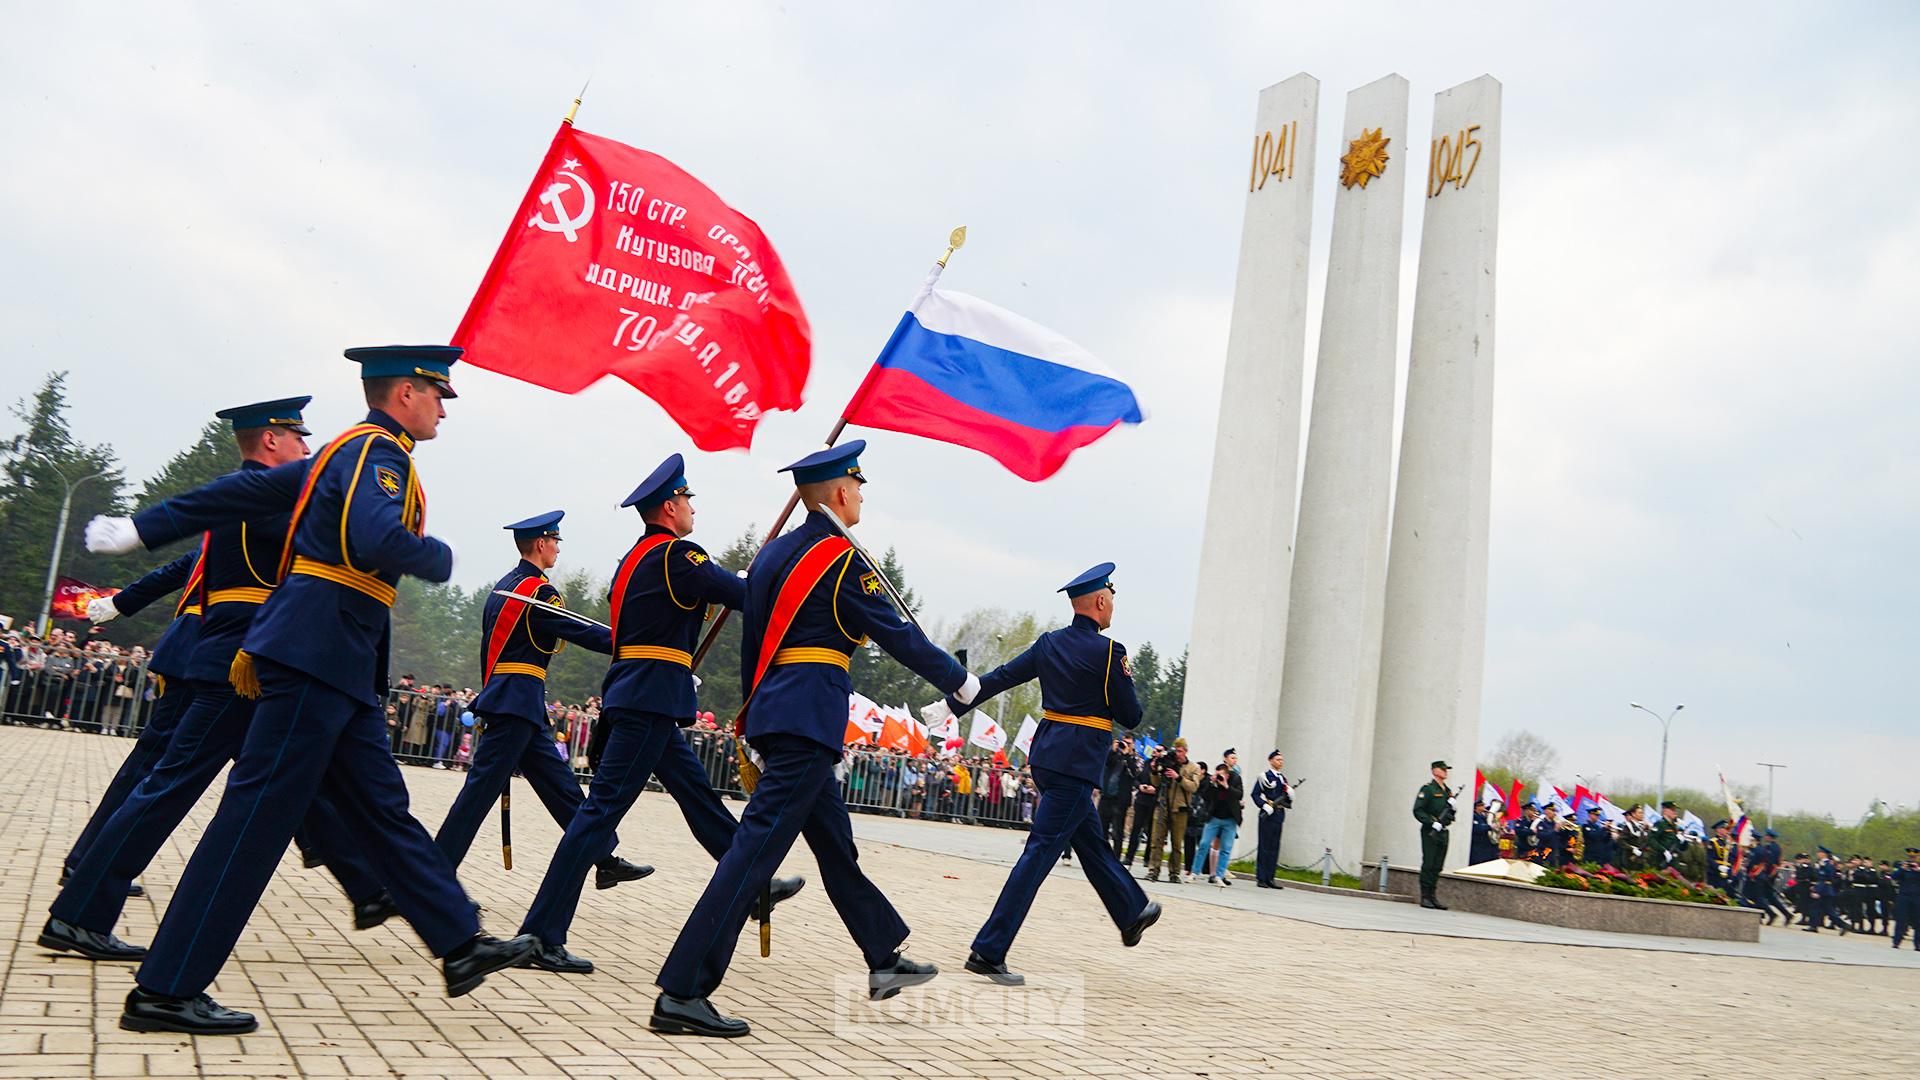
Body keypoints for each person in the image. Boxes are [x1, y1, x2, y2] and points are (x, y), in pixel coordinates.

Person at [82, 347, 536, 1034]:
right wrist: (437, 555)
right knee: (255, 822)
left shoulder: (339, 455)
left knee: (383, 810)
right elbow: (374, 535)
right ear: (405, 392)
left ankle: (459, 942)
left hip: (334, 657)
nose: (444, 408)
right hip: (318, 650)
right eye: (438, 394)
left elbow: (241, 493)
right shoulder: (377, 453)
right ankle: (166, 990)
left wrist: (144, 528)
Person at [44, 396, 394, 962]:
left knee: (285, 777)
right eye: (298, 438)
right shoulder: (267, 503)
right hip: (245, 665)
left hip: (240, 659)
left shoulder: (246, 499)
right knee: (172, 785)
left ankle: (370, 886)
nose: (306, 448)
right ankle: (81, 912)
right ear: (272, 440)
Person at [651, 441, 971, 1038]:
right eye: (859, 486)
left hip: (779, 712)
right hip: (809, 718)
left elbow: (756, 646)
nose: (862, 496)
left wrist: (754, 710)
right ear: (842, 493)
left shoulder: (772, 557)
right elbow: (899, 634)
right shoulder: (840, 558)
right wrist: (962, 682)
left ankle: (882, 957)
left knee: (834, 844)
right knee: (751, 854)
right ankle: (682, 990)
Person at [519, 458, 806, 974]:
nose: (693, 509)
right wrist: (763, 572)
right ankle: (540, 934)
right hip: (650, 698)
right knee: (597, 815)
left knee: (697, 797)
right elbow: (742, 596)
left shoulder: (633, 559)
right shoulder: (678, 553)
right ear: (670, 507)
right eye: (689, 501)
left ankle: (751, 883)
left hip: (647, 695)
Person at [924, 562, 1160, 986]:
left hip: (1049, 759)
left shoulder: (1049, 644)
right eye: (1111, 601)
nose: (1112, 609)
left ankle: (1131, 911)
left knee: (1090, 843)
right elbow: (1132, 715)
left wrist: (951, 706)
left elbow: (997, 680)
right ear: (1101, 601)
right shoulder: (1110, 653)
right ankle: (988, 950)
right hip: (1078, 764)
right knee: (1038, 855)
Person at [432, 511, 650, 900]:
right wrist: (635, 641)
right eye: (555, 541)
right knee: (476, 797)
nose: (557, 548)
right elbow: (580, 629)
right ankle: (428, 877)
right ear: (540, 544)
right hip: (516, 703)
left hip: (517, 703)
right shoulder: (538, 591)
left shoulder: (503, 588)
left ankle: (603, 857)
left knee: (561, 787)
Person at [58, 546, 208, 895]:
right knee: (150, 763)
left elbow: (168, 573)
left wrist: (119, 603)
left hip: (203, 653)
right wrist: (118, 603)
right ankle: (88, 862)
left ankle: (87, 860)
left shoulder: (226, 532)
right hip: (205, 656)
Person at [1144, 739, 1199, 883]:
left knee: (1176, 843)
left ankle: (1174, 873)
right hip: (1162, 805)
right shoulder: (1167, 762)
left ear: (1186, 751)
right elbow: (1156, 783)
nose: (1178, 754)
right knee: (1156, 840)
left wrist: (1178, 777)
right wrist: (1155, 770)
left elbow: (1193, 787)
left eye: (1180, 751)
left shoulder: (1193, 767)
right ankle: (1153, 870)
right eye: (1176, 750)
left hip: (1180, 810)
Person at [1192, 751, 1243, 886]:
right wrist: (1212, 783)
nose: (1220, 777)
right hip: (1214, 817)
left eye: (1222, 775)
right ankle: (1195, 872)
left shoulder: (1235, 779)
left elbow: (1239, 795)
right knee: (1204, 844)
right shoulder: (1213, 782)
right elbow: (1205, 796)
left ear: (1226, 774)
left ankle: (1219, 876)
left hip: (1230, 819)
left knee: (1226, 848)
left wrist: (1226, 786)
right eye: (1217, 774)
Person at [1412, 760, 1455, 910]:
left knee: (1438, 865)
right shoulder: (1428, 789)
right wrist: (1431, 822)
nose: (1445, 772)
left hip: (1443, 831)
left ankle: (1433, 896)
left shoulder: (1447, 791)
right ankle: (1425, 896)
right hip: (1430, 831)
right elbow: (1418, 810)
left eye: (1446, 769)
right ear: (1434, 770)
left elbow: (1450, 815)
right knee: (1429, 863)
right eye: (1443, 769)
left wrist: (1453, 809)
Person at [1250, 750, 1291, 888]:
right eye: (1278, 759)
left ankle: (1270, 877)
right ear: (1271, 761)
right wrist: (1264, 805)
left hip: (1279, 815)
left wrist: (1290, 796)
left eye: (1281, 759)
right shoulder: (1264, 777)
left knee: (1274, 847)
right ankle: (1261, 878)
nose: (1281, 762)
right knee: (1264, 846)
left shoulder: (1282, 779)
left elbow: (1286, 799)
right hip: (1267, 814)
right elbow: (1255, 794)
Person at [1099, 734, 1141, 855]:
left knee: (1117, 831)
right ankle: (1102, 855)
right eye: (1124, 742)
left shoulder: (1136, 758)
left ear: (1133, 744)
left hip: (1120, 799)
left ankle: (1115, 857)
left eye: (1128, 743)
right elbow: (1106, 763)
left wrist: (1127, 755)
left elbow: (1135, 774)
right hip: (1106, 796)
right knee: (1102, 829)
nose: (1125, 745)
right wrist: (1113, 750)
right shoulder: (1115, 754)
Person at [1123, 747, 1161, 867]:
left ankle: (1147, 858)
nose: (1155, 752)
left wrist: (1155, 790)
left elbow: (1164, 785)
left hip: (1154, 802)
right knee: (1136, 829)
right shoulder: (1146, 763)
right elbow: (1136, 779)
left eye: (1159, 750)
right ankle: (1129, 856)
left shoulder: (1164, 767)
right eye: (1155, 750)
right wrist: (1140, 786)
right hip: (1141, 801)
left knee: (1151, 831)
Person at [1891, 847, 1920, 951]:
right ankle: (1896, 942)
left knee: (1918, 921)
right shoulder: (1902, 866)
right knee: (1901, 919)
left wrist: (1918, 871)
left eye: (1914, 857)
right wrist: (1901, 869)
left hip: (1917, 897)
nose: (1912, 859)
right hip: (1904, 896)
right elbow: (1893, 876)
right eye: (1910, 856)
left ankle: (1918, 944)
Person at [1650, 801, 1681, 868]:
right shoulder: (1660, 824)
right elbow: (1651, 840)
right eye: (1672, 810)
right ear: (1665, 810)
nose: (1675, 812)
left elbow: (1682, 848)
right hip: (1661, 860)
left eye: (1675, 810)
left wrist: (1684, 842)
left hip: (1674, 862)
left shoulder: (1674, 826)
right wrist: (1664, 850)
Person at [1467, 800, 1497, 865]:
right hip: (1477, 844)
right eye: (1482, 805)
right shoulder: (1474, 816)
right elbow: (1477, 828)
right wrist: (1489, 826)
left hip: (1484, 844)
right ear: (1477, 807)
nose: (1484, 807)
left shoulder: (1483, 817)